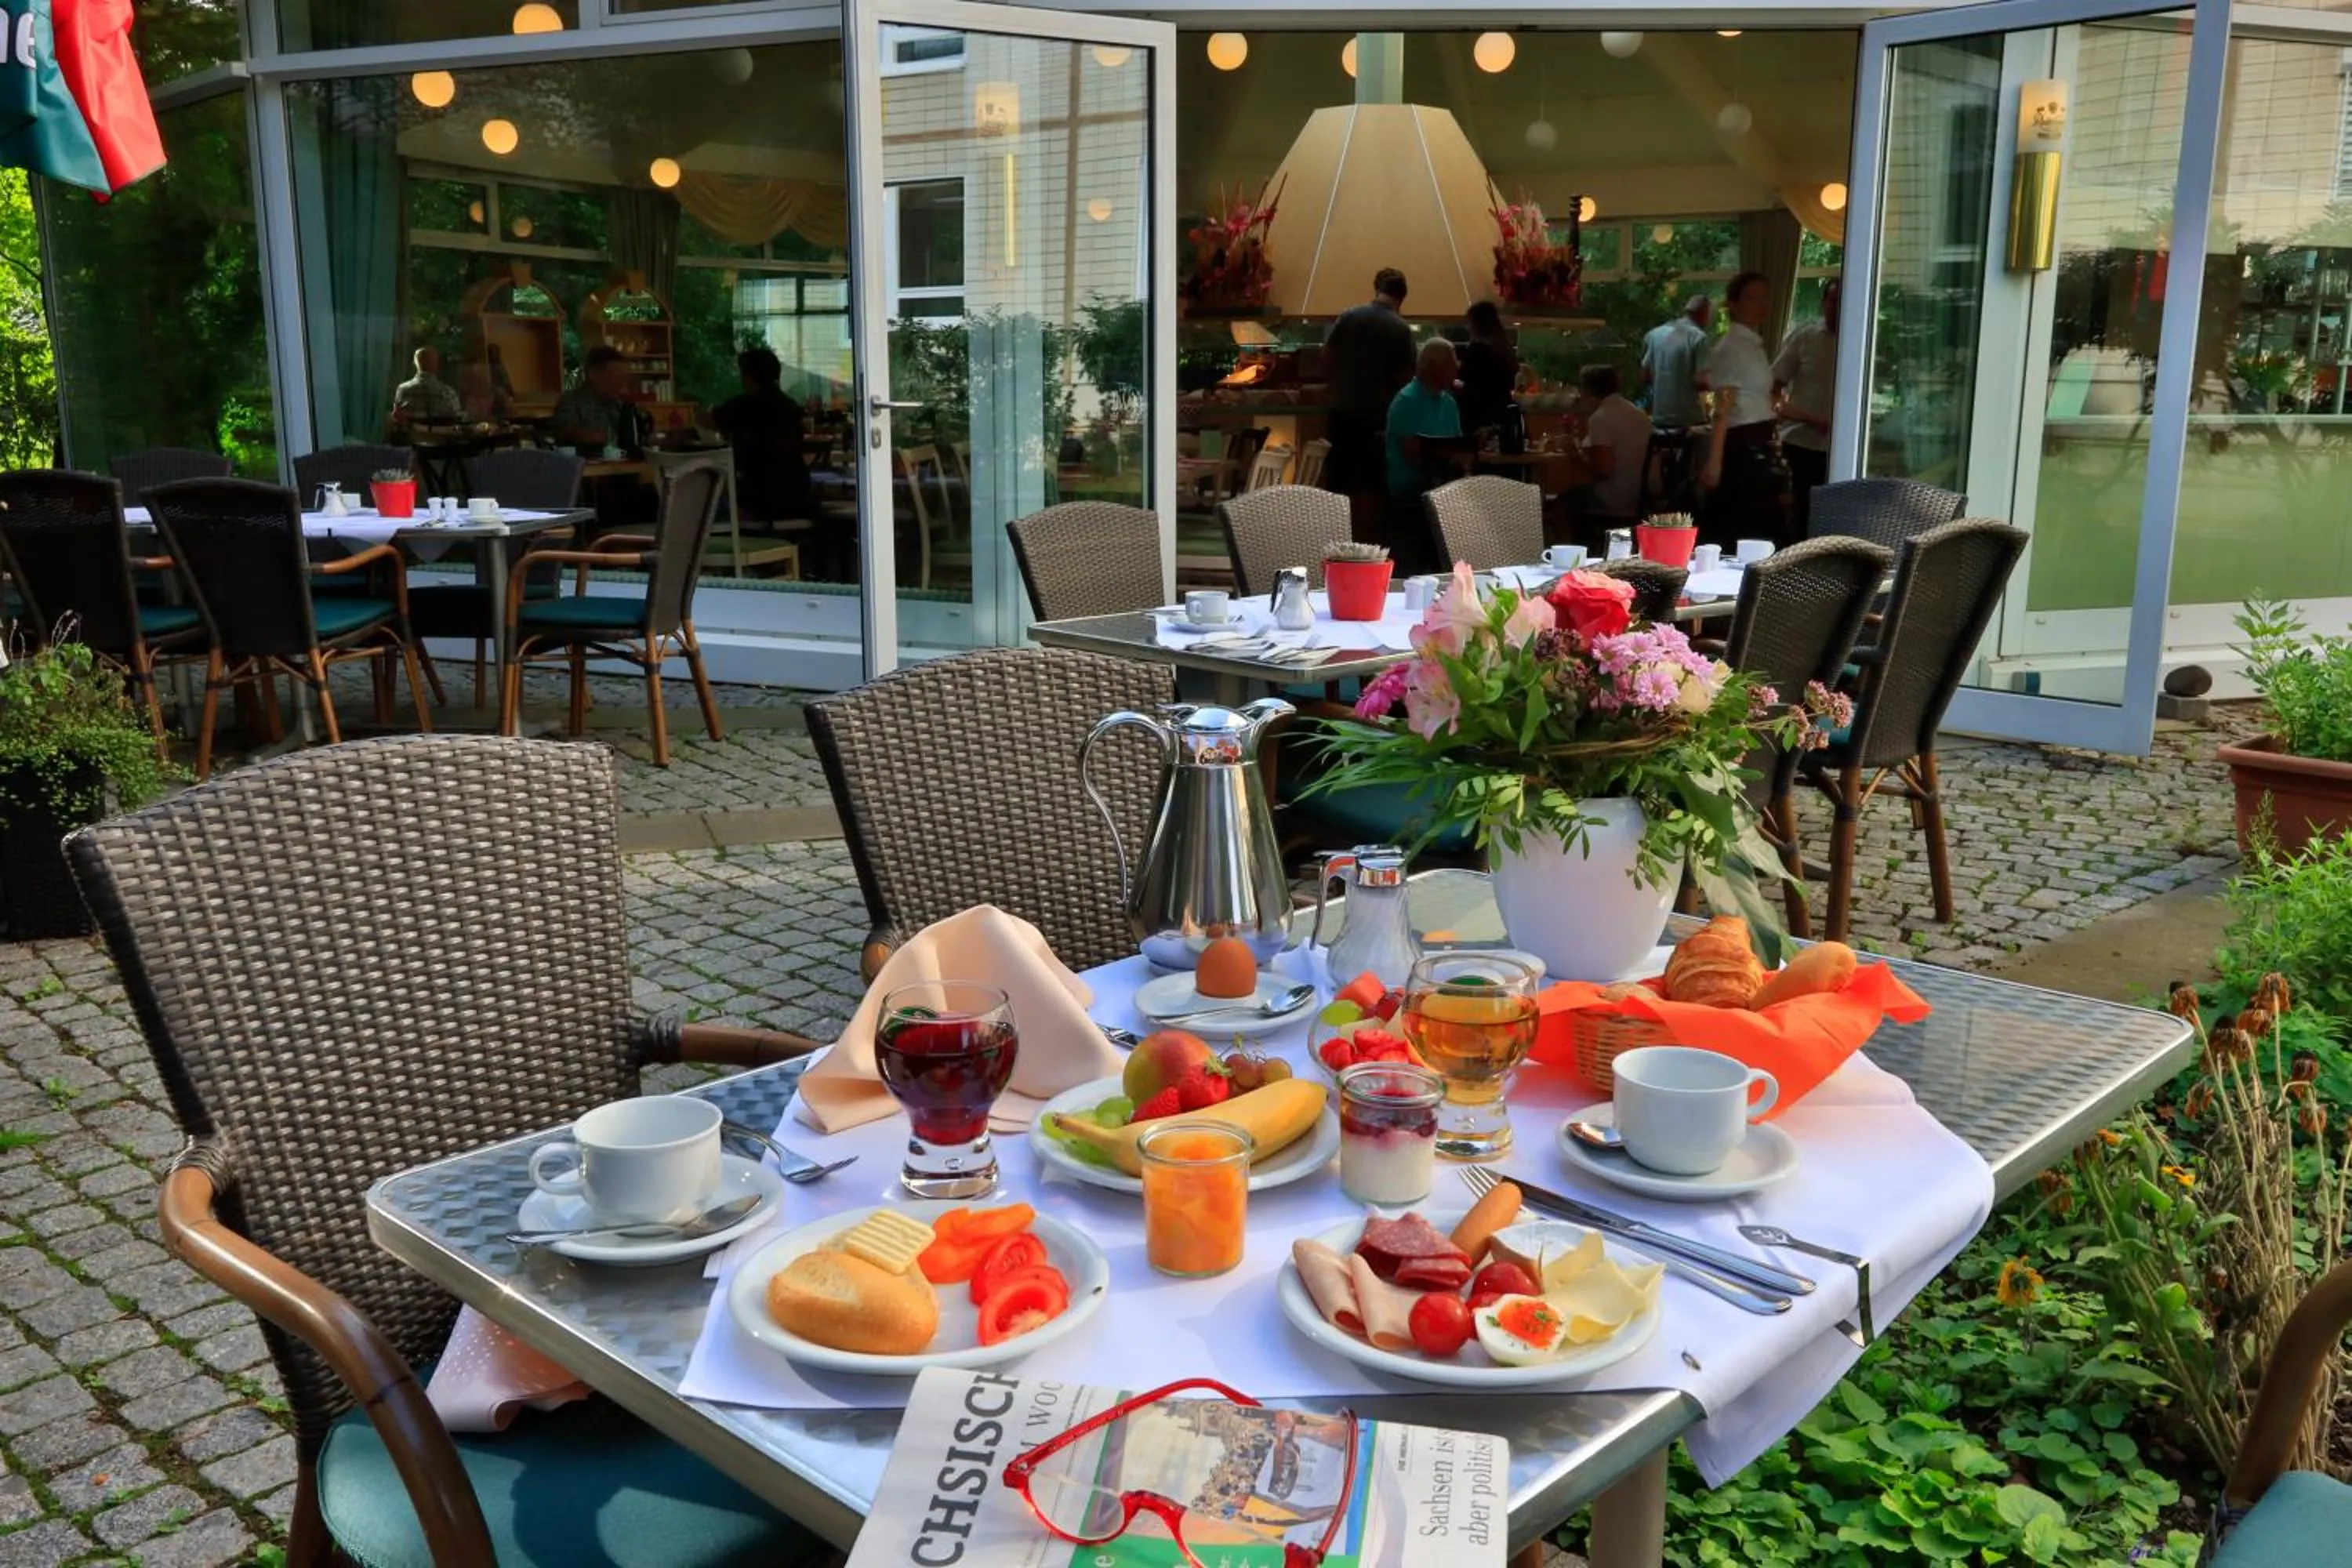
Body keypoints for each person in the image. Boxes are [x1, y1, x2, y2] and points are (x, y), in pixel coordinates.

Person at [1695, 270, 1792, 548]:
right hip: (1742, 446)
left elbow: (1758, 397)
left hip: (1761, 439)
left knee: (1762, 526)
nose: (1760, 305)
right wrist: (1715, 461)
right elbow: (1721, 403)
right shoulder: (1731, 347)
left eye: (1765, 298)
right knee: (1743, 526)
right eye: (1752, 298)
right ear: (1734, 305)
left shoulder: (1753, 345)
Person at [1323, 268, 1416, 528]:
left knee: (1340, 479)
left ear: (1378, 292)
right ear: (1401, 298)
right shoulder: (1401, 330)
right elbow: (1406, 377)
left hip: (1341, 412)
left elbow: (1327, 358)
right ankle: (1363, 542)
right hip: (1376, 418)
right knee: (1369, 484)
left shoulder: (1349, 316)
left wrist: (1336, 388)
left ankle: (1334, 536)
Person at [714, 345, 811, 523]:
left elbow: (709, 421)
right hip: (798, 498)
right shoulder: (790, 406)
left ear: (749, 377)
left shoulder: (742, 406)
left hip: (759, 504)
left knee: (707, 505)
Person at [1773, 278, 1839, 532]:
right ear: (1824, 303)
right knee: (1804, 513)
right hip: (1803, 445)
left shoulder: (1860, 341)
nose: (1838, 307)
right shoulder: (1805, 337)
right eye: (1834, 300)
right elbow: (1773, 389)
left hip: (1843, 448)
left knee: (1838, 516)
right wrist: (1809, 419)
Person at [1566, 364, 1652, 536]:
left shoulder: (1601, 417)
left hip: (1613, 499)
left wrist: (1578, 456)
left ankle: (1574, 550)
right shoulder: (1639, 414)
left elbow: (1604, 469)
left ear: (1589, 391)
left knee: (1563, 503)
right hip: (1642, 498)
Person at [1385, 337, 1467, 504]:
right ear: (1434, 368)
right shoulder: (1406, 401)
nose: (1456, 371)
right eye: (1451, 366)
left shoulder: (1449, 403)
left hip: (1442, 480)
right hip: (1410, 483)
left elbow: (1459, 448)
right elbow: (1413, 456)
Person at [553, 345, 649, 456]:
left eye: (624, 380)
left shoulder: (620, 405)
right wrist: (589, 437)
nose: (621, 385)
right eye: (615, 378)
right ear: (592, 373)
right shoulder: (571, 401)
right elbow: (563, 432)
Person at [1640, 295, 1712, 428]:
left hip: (1659, 419)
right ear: (1705, 313)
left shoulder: (1654, 335)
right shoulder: (1698, 338)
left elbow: (1645, 376)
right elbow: (1702, 382)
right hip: (1689, 421)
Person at [1456, 299, 1518, 436]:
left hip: (1478, 416)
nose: (1467, 327)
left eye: (1469, 323)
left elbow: (1466, 381)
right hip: (1501, 414)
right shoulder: (1504, 348)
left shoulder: (1476, 350)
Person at [393, 347, 459, 422]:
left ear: (415, 364)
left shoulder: (403, 390)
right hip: (440, 433)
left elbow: (396, 417)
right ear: (436, 365)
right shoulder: (448, 392)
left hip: (411, 433)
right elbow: (457, 418)